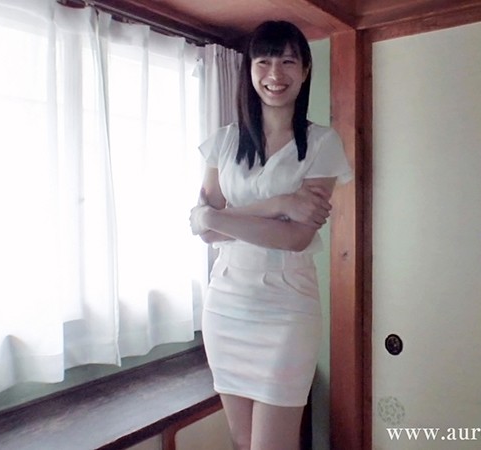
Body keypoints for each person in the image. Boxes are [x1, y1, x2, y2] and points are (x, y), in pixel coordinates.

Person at [189, 20, 352, 450]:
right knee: (244, 442)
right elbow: (204, 231)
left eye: (288, 62)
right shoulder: (223, 142)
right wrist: (279, 204)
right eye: (263, 62)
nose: (274, 74)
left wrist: (214, 217)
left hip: (287, 306)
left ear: (305, 70)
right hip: (226, 303)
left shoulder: (322, 143)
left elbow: (295, 238)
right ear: (249, 69)